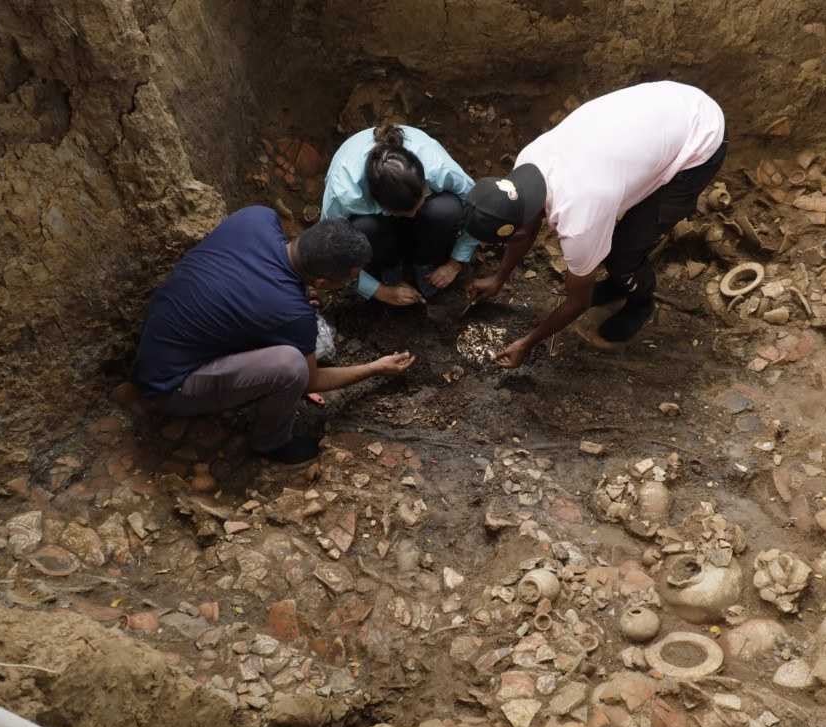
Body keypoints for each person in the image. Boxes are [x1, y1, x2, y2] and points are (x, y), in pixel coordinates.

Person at [462, 81, 728, 368]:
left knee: (624, 253)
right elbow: (524, 227)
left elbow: (578, 301)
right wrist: (499, 278)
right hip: (665, 108)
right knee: (621, 235)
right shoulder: (528, 163)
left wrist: (527, 343)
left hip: (699, 139)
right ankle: (618, 284)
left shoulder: (578, 219)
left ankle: (640, 302)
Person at [131, 206, 415, 467]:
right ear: (321, 283)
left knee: (294, 344)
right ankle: (271, 443)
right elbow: (310, 380)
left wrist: (297, 296)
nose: (351, 283)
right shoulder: (294, 315)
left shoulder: (257, 217)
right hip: (169, 385)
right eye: (349, 279)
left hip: (160, 339)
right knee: (291, 366)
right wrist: (375, 368)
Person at [322, 124, 481, 306]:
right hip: (376, 227)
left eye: (418, 206)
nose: (413, 215)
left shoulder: (438, 168)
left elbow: (477, 208)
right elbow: (330, 254)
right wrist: (379, 291)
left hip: (423, 217)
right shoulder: (343, 192)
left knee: (446, 209)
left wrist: (455, 263)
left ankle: (425, 263)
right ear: (379, 204)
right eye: (406, 213)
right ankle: (391, 270)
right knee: (365, 228)